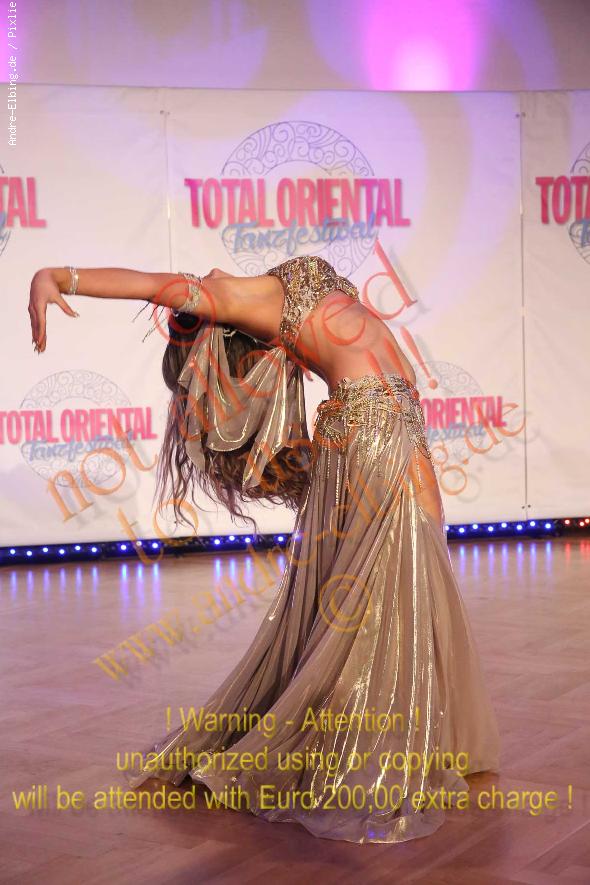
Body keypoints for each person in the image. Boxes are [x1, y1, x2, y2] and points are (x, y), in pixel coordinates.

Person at [29, 255, 500, 844]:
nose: (204, 275)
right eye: (197, 294)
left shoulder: (272, 284)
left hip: (398, 418)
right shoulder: (239, 302)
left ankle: (417, 728)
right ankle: (362, 740)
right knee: (390, 577)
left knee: (423, 559)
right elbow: (152, 286)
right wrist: (58, 278)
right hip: (369, 425)